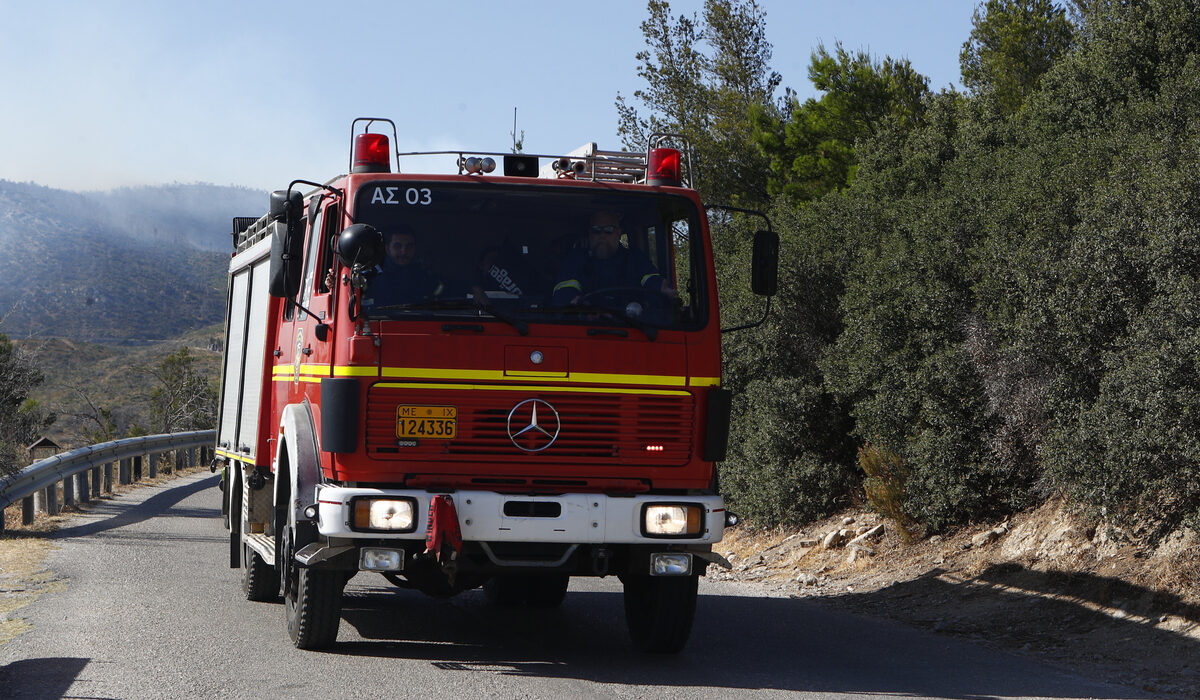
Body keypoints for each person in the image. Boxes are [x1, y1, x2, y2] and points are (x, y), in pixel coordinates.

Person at [551, 210, 675, 306]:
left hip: (632, 327)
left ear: (619, 232)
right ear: (589, 233)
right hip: (587, 327)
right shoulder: (575, 259)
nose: (602, 235)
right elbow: (564, 289)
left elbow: (650, 279)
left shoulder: (635, 259)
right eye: (596, 230)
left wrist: (660, 287)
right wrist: (574, 302)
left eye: (608, 230)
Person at [364, 227, 442, 307]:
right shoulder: (372, 276)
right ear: (387, 249)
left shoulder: (424, 277)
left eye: (409, 246)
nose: (404, 251)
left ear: (415, 248)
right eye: (397, 246)